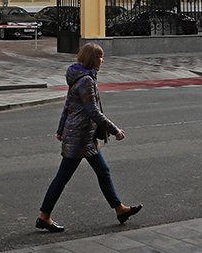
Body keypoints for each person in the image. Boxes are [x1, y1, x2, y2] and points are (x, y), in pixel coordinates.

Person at [36, 42, 142, 232]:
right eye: (99, 57)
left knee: (103, 171)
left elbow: (68, 105)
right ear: (92, 59)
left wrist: (61, 130)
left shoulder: (79, 77)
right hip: (80, 137)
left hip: (83, 136)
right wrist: (114, 130)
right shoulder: (86, 81)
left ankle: (120, 209)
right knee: (63, 177)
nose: (102, 60)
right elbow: (92, 111)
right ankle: (44, 216)